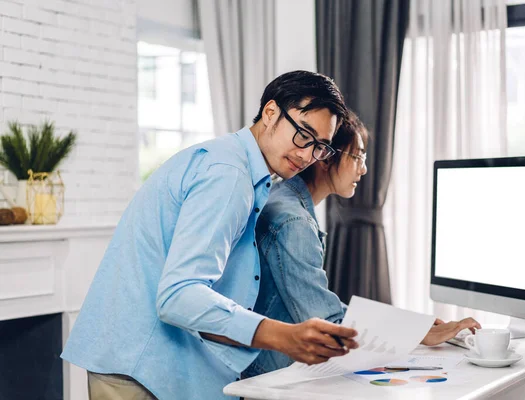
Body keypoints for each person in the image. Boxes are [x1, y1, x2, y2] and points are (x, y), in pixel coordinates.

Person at [61, 70, 360, 400]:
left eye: (320, 147)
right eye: (303, 135)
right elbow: (179, 295)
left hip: (146, 362)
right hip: (142, 369)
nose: (307, 155)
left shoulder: (234, 165)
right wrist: (282, 336)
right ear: (271, 112)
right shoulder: (228, 175)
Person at [244, 111, 481, 378]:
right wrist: (417, 331)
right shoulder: (294, 221)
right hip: (268, 376)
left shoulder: (281, 196)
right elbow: (326, 322)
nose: (364, 168)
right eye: (357, 156)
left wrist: (415, 328)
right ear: (326, 156)